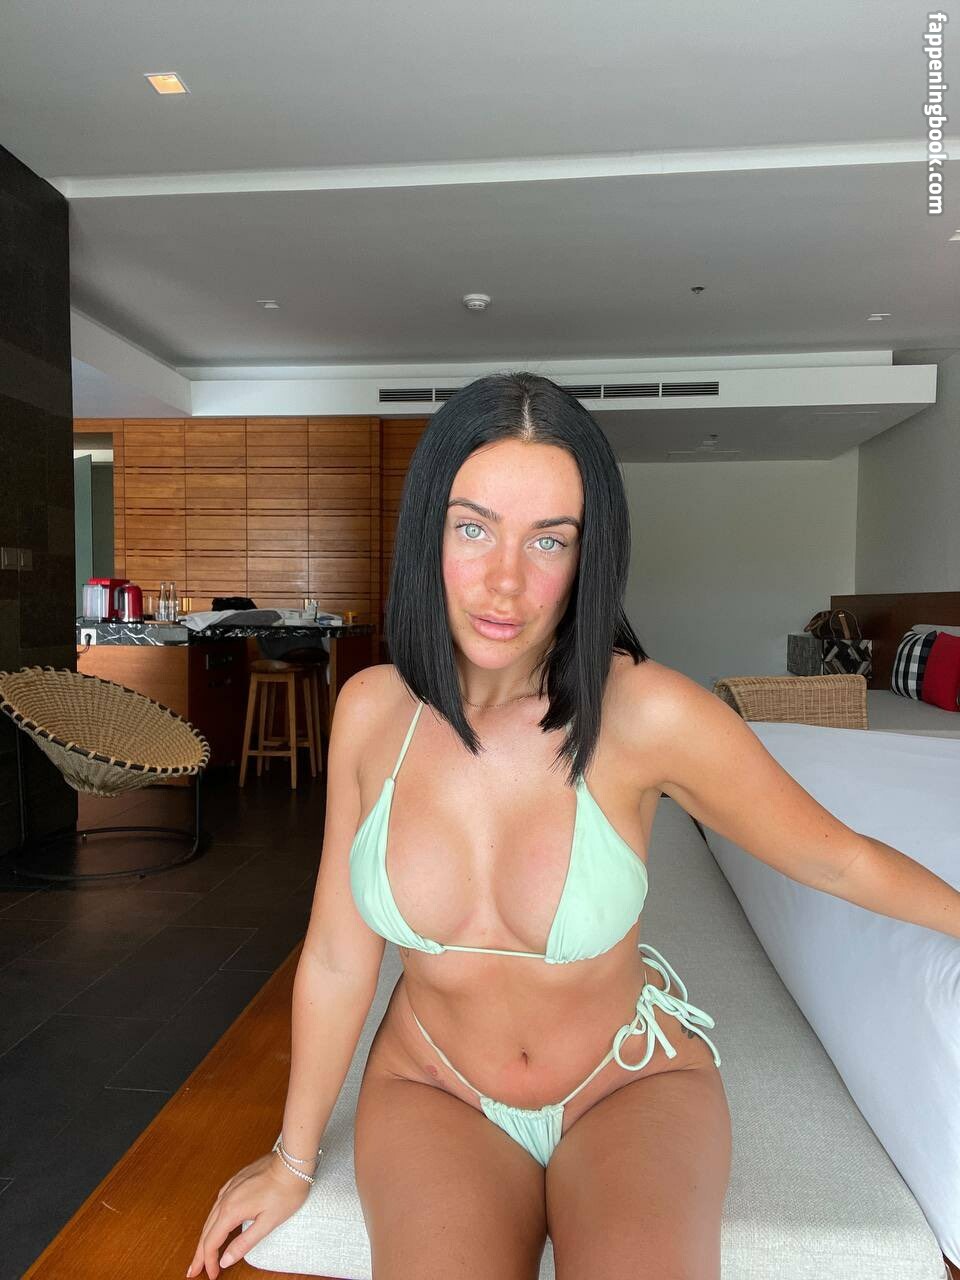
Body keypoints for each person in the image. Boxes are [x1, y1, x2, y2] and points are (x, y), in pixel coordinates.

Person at [189, 372, 960, 1280]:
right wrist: (290, 1160)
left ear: (588, 558)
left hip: (627, 1081)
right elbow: (334, 956)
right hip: (431, 1085)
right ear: (428, 530)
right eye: (473, 528)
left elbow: (838, 861)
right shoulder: (368, 710)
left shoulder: (648, 713)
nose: (505, 581)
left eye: (549, 540)